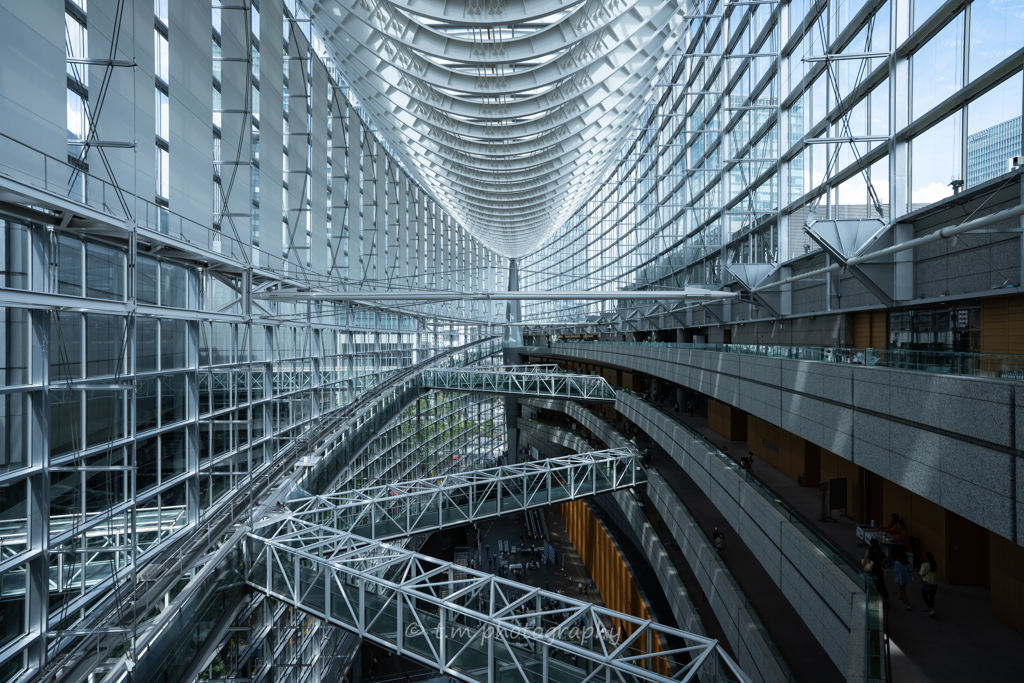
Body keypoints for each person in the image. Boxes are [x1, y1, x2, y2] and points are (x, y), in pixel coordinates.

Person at [919, 551, 939, 616]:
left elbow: (921, 573)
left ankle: (930, 608)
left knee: (924, 595)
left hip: (927, 582)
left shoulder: (925, 565)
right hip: (934, 583)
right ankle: (930, 609)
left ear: (927, 558)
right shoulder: (935, 566)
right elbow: (938, 575)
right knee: (932, 596)